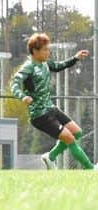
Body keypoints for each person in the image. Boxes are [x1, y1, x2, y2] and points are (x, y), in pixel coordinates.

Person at [10, 33, 92, 171]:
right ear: (35, 51)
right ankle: (90, 169)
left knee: (77, 132)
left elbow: (59, 65)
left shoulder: (45, 64)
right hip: (39, 115)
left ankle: (50, 157)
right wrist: (22, 96)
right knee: (70, 139)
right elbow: (14, 83)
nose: (48, 52)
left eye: (48, 49)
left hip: (50, 108)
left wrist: (75, 58)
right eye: (45, 49)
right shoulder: (28, 66)